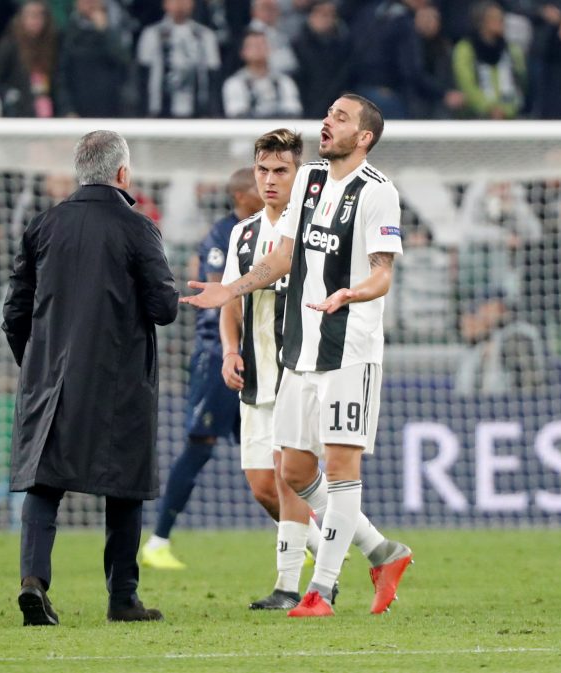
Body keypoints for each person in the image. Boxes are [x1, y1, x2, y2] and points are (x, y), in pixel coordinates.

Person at [182, 93, 413, 618]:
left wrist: (353, 293)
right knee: (292, 469)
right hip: (299, 353)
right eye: (328, 114)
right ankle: (382, 553)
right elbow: (283, 256)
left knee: (340, 466)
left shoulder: (379, 193)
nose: (327, 123)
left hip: (349, 349)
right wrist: (230, 290)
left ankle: (321, 590)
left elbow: (383, 270)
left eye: (341, 118)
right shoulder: (308, 180)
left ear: (365, 137)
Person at [2, 130, 178, 625]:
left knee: (43, 485)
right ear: (123, 174)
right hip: (119, 382)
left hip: (51, 381)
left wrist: (35, 367)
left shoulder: (43, 226)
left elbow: (14, 312)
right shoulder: (138, 228)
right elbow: (164, 309)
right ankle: (122, 598)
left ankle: (34, 583)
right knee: (124, 486)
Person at [219, 128, 324, 609]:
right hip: (255, 377)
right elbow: (229, 301)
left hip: (298, 373)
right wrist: (228, 350)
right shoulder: (242, 234)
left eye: (281, 170)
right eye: (263, 170)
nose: (270, 179)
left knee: (288, 478)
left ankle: (288, 587)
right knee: (263, 486)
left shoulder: (314, 231)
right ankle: (334, 557)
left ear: (298, 173)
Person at [140, 167, 262, 570]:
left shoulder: (271, 229)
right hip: (218, 352)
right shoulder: (222, 235)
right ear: (244, 195)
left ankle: (307, 538)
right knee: (201, 445)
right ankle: (157, 541)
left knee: (269, 450)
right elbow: (221, 293)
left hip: (257, 351)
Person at [221, 30, 302, 119]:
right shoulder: (234, 83)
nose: (258, 49)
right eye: (253, 46)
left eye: (262, 44)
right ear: (243, 52)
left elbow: (293, 111)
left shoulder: (284, 82)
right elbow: (236, 114)